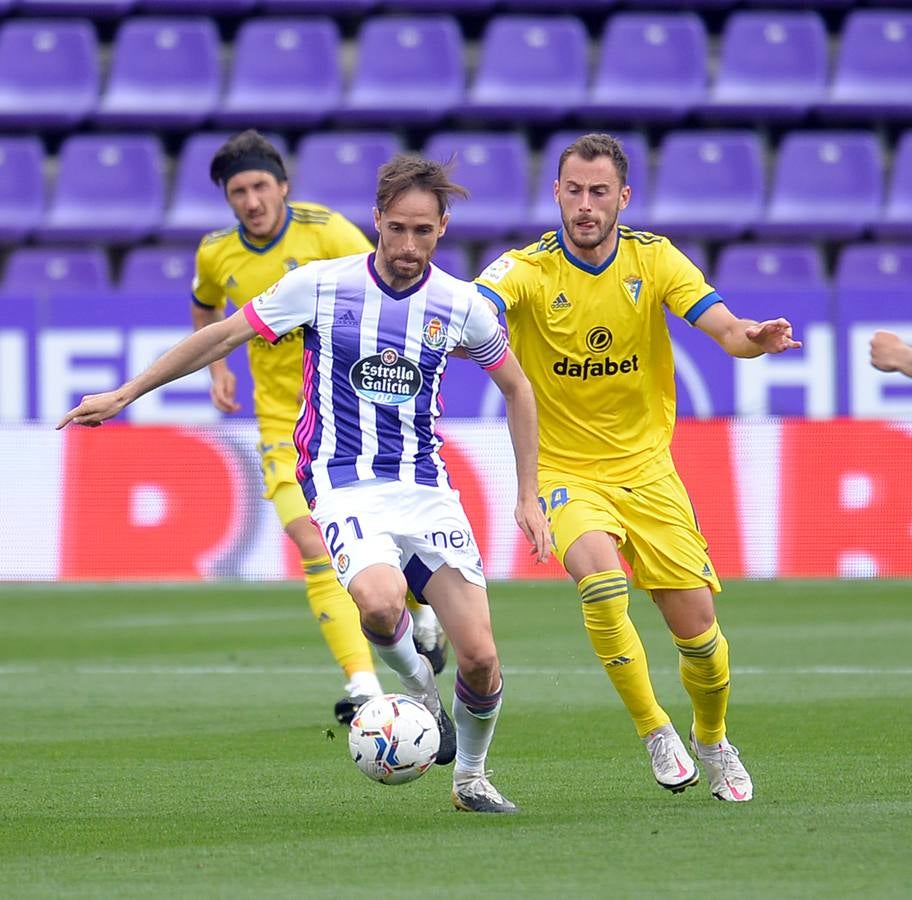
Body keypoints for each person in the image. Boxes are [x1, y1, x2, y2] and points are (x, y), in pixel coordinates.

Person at [58, 153, 551, 814]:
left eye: (423, 231)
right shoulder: (321, 285)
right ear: (376, 220)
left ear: (442, 228)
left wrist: (527, 493)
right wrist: (125, 392)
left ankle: (471, 779)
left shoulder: (460, 305)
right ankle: (420, 690)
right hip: (342, 482)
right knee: (380, 604)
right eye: (397, 229)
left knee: (483, 660)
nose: (408, 246)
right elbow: (221, 336)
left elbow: (518, 389)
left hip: (426, 489)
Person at [475, 133, 802, 803]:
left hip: (648, 471)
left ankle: (713, 739)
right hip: (566, 471)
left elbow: (727, 329)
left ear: (623, 197)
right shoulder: (526, 269)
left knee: (701, 639)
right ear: (556, 193)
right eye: (574, 190)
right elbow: (476, 307)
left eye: (599, 192)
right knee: (600, 583)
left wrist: (755, 340)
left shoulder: (654, 259)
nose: (585, 205)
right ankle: (654, 729)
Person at [192, 130, 447, 726]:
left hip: (351, 420)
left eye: (260, 186)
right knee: (314, 543)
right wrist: (218, 370)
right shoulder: (216, 252)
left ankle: (422, 610)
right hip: (283, 427)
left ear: (282, 186)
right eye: (238, 192)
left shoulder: (326, 231)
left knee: (384, 543)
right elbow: (205, 306)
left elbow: (385, 288)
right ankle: (362, 684)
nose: (252, 201)